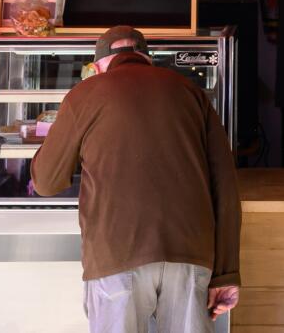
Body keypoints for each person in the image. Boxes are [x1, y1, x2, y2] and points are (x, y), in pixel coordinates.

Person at [31, 25, 241, 332]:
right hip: (190, 252)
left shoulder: (85, 94)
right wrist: (226, 273)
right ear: (146, 58)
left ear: (99, 66)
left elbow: (47, 182)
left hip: (115, 253)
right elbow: (225, 187)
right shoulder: (192, 93)